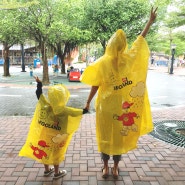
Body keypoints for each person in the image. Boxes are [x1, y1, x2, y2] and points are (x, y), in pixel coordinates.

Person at [80, 7, 157, 179]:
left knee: (105, 136)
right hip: (122, 108)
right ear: (122, 46)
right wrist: (149, 22)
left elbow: (95, 85)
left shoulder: (101, 63)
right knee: (118, 138)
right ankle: (115, 168)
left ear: (110, 44)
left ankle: (105, 168)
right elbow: (139, 43)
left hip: (104, 108)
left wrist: (87, 103)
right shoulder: (127, 60)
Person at [19, 76, 88, 179]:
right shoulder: (65, 110)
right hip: (58, 138)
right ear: (63, 97)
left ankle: (47, 170)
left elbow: (39, 94)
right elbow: (80, 112)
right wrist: (86, 108)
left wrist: (39, 84)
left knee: (44, 150)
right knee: (57, 153)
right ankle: (56, 173)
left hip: (45, 134)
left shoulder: (45, 106)